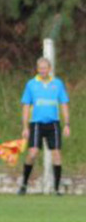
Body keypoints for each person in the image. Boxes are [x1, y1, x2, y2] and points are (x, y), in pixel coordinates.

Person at [19, 56, 71, 195]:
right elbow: (26, 106)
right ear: (37, 69)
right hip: (36, 123)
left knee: (57, 154)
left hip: (53, 123)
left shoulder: (57, 84)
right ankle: (24, 184)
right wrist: (25, 127)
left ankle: (56, 188)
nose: (42, 70)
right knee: (33, 153)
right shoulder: (31, 84)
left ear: (49, 69)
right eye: (40, 68)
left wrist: (67, 124)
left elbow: (64, 104)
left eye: (45, 68)